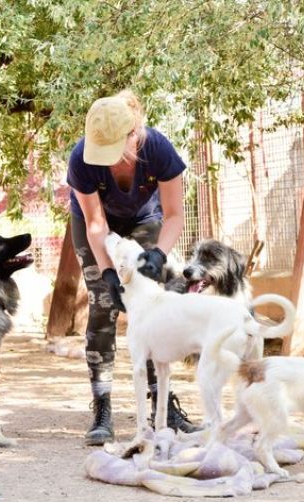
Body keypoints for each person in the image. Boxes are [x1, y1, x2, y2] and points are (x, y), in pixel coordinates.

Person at [67, 90, 199, 446]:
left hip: (146, 220)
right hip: (97, 227)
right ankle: (103, 406)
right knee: (103, 303)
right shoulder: (81, 158)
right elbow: (95, 225)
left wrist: (158, 254)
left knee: (158, 303)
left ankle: (164, 407)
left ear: (134, 133)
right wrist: (109, 273)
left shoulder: (157, 149)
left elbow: (173, 215)